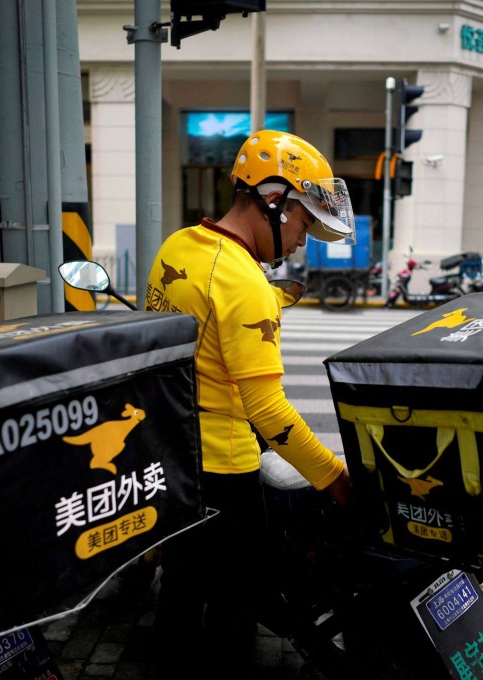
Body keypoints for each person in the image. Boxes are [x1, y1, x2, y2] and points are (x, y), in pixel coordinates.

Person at [145, 130, 353, 679]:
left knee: (183, 587)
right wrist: (334, 477)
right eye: (304, 223)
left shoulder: (179, 247)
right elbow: (268, 412)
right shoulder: (245, 284)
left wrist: (268, 295)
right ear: (273, 200)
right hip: (226, 469)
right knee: (237, 601)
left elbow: (201, 329)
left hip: (174, 455)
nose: (301, 240)